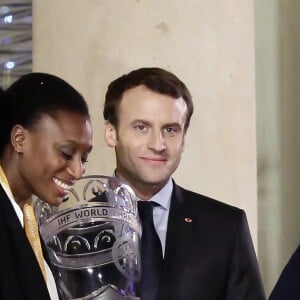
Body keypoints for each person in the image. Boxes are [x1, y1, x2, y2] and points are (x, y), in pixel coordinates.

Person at [102, 67, 266, 300]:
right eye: (141, 127)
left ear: (183, 139)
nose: (158, 144)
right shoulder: (73, 231)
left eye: (170, 130)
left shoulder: (225, 227)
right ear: (111, 133)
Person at [0, 73, 93, 300]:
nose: (78, 171)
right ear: (20, 139)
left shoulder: (26, 215)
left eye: (84, 159)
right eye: (66, 153)